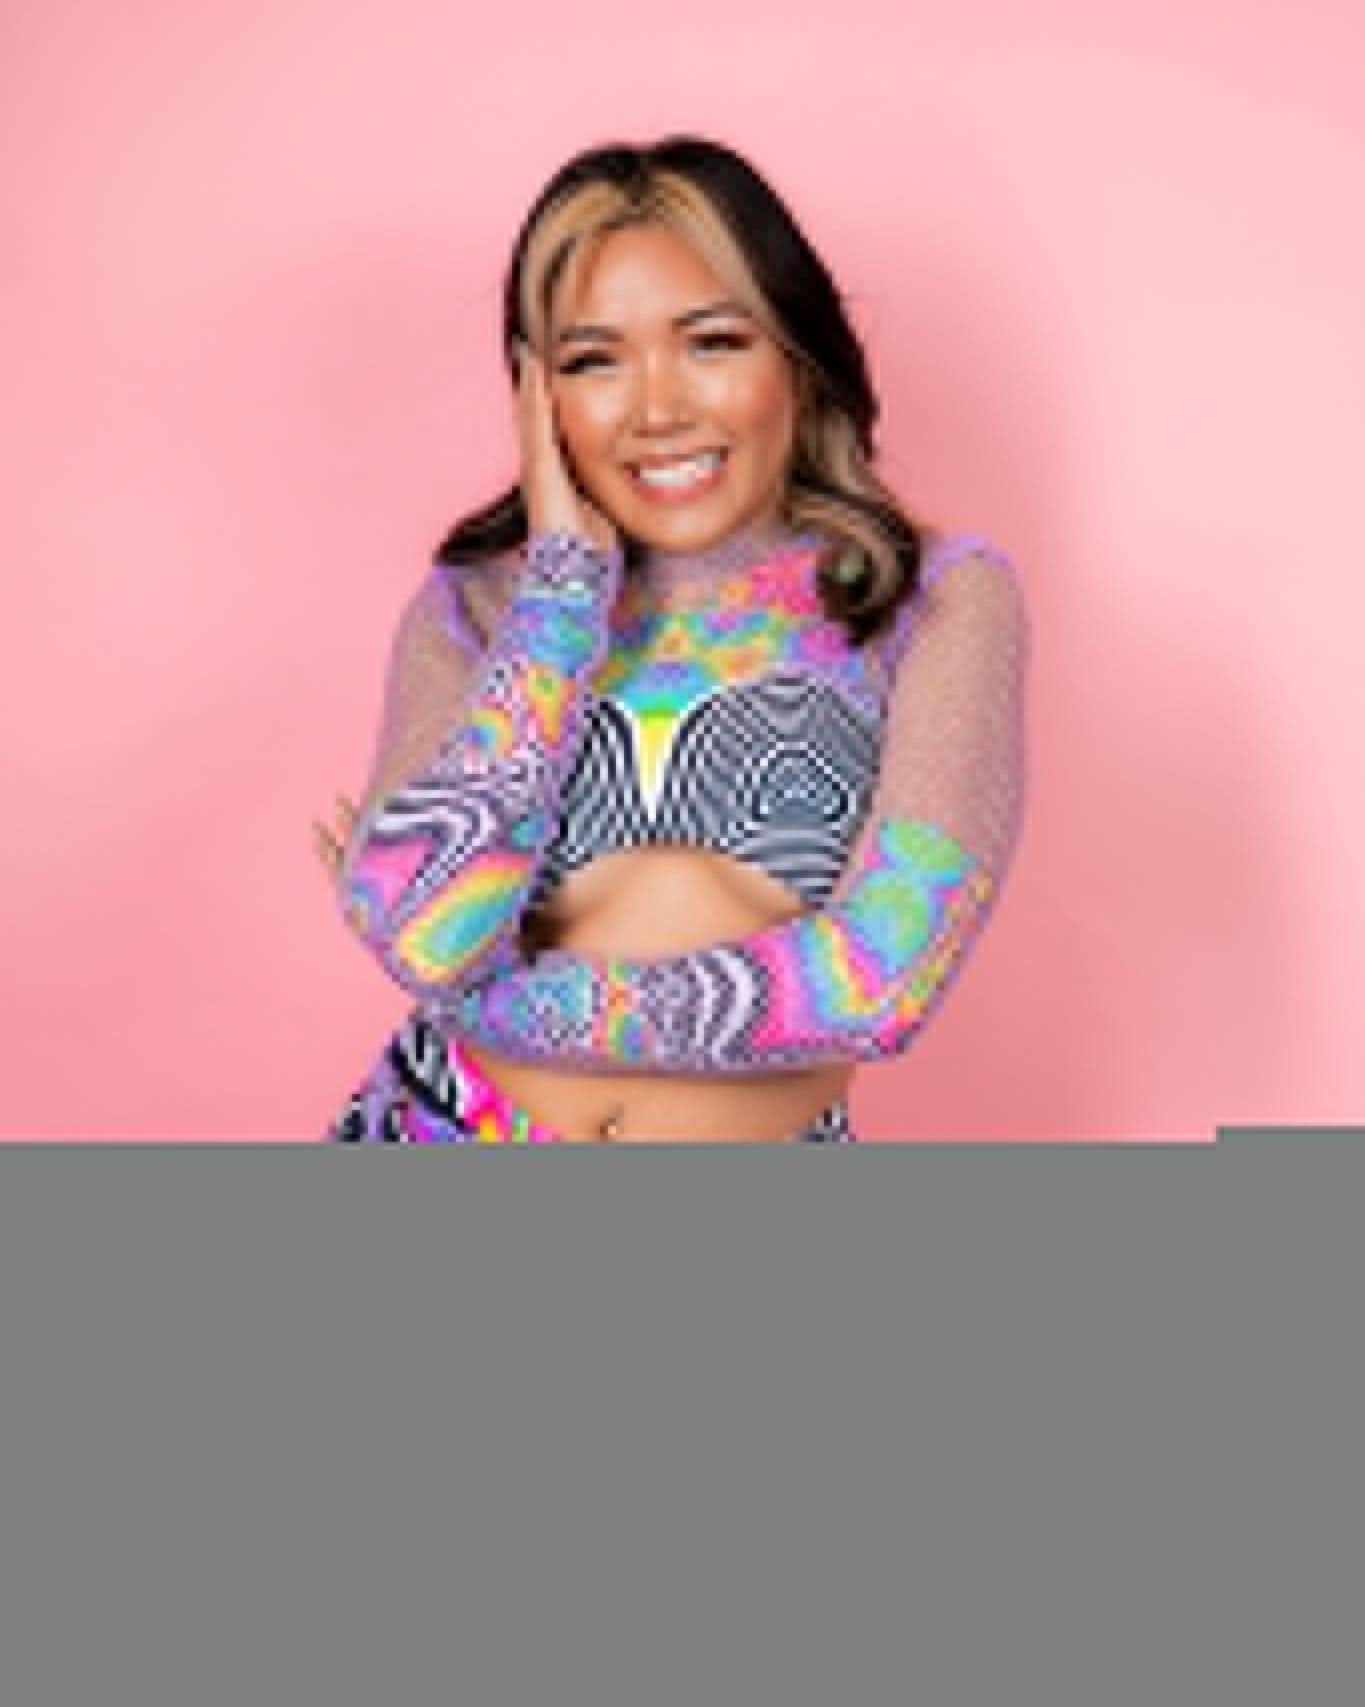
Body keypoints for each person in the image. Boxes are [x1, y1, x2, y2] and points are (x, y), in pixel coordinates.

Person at [312, 134, 1029, 1143]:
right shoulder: (478, 607)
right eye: (595, 361)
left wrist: (498, 1006)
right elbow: (431, 939)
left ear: (796, 353)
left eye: (713, 342)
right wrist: (561, 598)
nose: (657, 408)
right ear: (538, 397)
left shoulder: (937, 600)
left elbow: (879, 983)